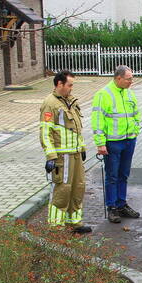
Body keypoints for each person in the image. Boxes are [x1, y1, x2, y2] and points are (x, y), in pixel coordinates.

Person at [39, 70, 91, 234]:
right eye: (69, 85)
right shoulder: (50, 104)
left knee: (78, 187)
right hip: (62, 157)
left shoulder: (70, 102)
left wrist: (82, 148)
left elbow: (76, 130)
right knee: (62, 190)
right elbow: (45, 132)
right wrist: (51, 156)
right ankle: (55, 225)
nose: (71, 88)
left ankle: (74, 221)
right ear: (59, 84)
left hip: (75, 155)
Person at [92, 65, 141, 222]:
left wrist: (135, 130)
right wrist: (100, 144)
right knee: (112, 176)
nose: (131, 82)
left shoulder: (129, 93)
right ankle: (112, 207)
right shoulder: (103, 94)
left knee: (124, 174)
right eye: (128, 79)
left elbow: (136, 113)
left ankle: (121, 204)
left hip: (129, 140)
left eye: (132, 78)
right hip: (113, 142)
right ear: (118, 78)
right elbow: (97, 120)